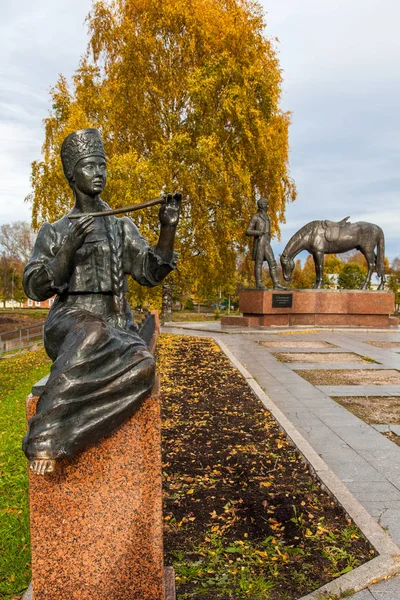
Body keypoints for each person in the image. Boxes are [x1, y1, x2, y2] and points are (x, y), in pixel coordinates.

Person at [23, 128, 181, 475]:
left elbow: (149, 272)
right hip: (69, 323)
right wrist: (65, 252)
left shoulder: (121, 227)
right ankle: (44, 436)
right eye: (90, 166)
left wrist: (167, 230)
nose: (99, 173)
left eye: (102, 166)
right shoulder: (55, 230)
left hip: (115, 324)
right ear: (71, 173)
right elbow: (34, 287)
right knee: (90, 332)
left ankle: (70, 434)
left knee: (143, 369)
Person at [245, 197, 286, 290]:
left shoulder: (267, 217)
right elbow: (247, 231)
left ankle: (276, 284)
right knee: (258, 263)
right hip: (260, 242)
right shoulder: (255, 217)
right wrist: (258, 232)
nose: (268, 206)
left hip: (267, 243)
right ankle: (259, 283)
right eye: (266, 204)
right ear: (262, 205)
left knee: (272, 262)